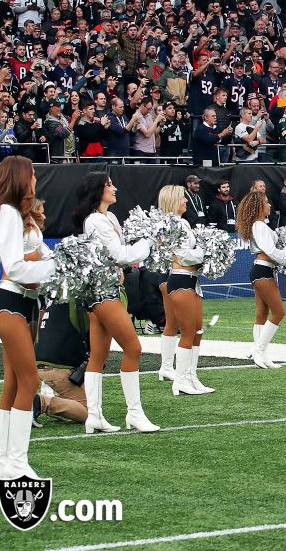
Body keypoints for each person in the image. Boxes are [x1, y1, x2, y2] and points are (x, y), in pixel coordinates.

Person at [0, 157, 56, 485]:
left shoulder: (20, 214)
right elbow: (13, 267)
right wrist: (54, 269)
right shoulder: (7, 213)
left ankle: (2, 465)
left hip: (25, 303)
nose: (36, 179)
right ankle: (17, 463)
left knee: (14, 383)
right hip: (9, 302)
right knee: (28, 380)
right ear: (20, 177)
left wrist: (60, 264)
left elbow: (40, 256)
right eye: (33, 174)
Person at [72, 171, 159, 433]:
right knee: (133, 348)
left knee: (98, 355)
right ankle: (134, 413)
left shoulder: (108, 217)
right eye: (109, 185)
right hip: (102, 292)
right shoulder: (95, 221)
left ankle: (94, 416)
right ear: (97, 190)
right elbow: (119, 254)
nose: (115, 188)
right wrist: (147, 242)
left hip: (107, 288)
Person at [157, 185, 213, 395]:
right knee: (188, 331)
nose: (186, 201)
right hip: (180, 279)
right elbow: (183, 255)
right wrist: (204, 251)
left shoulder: (184, 223)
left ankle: (191, 376)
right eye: (182, 198)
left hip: (191, 279)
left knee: (198, 330)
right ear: (173, 200)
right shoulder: (173, 225)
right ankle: (179, 380)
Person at [237, 191, 286, 369]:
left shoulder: (259, 225)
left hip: (262, 269)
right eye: (266, 202)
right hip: (263, 270)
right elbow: (270, 250)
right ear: (258, 207)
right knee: (279, 312)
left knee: (262, 313)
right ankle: (258, 349)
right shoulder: (259, 226)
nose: (270, 205)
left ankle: (262, 354)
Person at [32, 300, 89, 426]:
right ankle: (41, 402)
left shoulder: (54, 298)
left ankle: (52, 401)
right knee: (89, 413)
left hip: (39, 361)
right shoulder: (80, 302)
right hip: (59, 367)